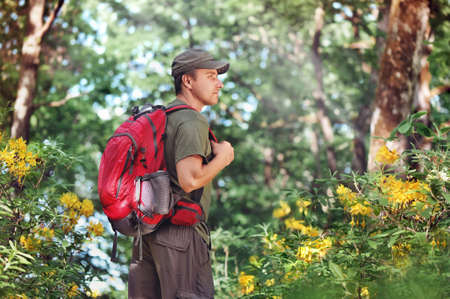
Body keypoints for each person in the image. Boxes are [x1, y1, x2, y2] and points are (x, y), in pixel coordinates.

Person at [128, 48, 234, 299]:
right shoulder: (191, 120)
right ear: (187, 81)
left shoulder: (162, 118)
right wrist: (225, 157)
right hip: (180, 235)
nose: (219, 83)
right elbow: (190, 179)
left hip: (146, 235)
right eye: (210, 76)